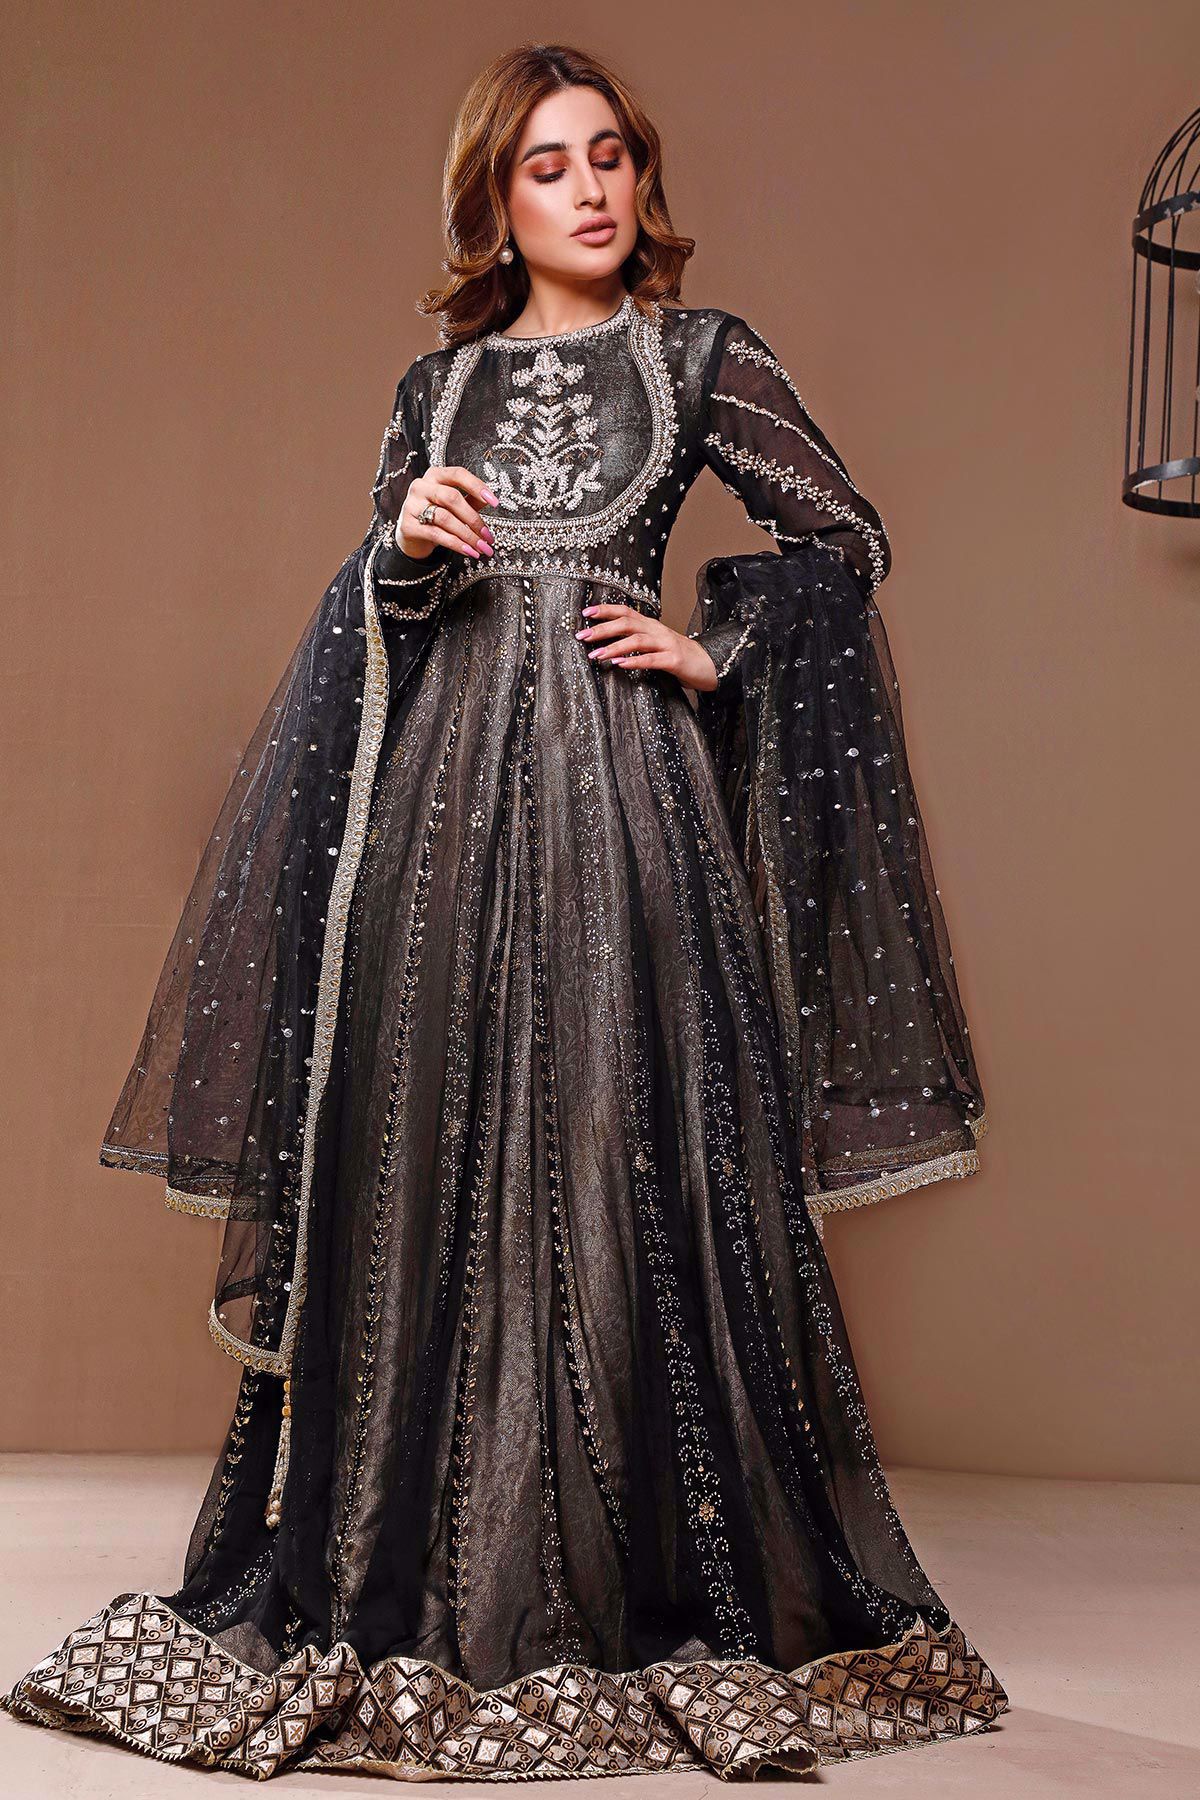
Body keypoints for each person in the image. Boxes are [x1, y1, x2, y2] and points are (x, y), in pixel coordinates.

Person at [0, 42, 1004, 1782]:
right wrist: (398, 548)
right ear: (495, 198)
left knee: (624, 1156)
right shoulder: (435, 389)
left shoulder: (702, 356)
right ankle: (422, 1570)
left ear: (641, 174)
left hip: (628, 817)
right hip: (441, 828)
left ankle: (612, 1578)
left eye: (610, 155)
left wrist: (720, 646)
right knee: (426, 1166)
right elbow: (386, 627)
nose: (590, 189)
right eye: (549, 165)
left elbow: (844, 542)